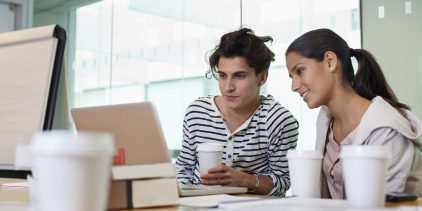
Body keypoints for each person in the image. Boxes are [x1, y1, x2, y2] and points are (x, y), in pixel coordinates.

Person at [285, 28, 422, 198]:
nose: (294, 86)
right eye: (291, 77)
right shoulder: (325, 118)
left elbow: (380, 206)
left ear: (330, 62)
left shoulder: (386, 129)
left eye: (300, 71)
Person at [175, 28, 299, 196]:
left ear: (261, 78)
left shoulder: (278, 120)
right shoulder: (197, 112)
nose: (228, 87)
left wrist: (246, 181)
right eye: (223, 76)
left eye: (239, 76)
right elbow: (184, 169)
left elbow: (283, 181)